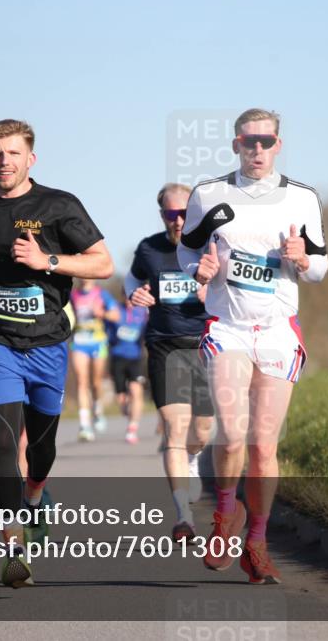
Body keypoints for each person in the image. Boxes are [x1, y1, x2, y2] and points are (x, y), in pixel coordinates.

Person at [0, 119, 113, 587]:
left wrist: (49, 261)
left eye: (14, 154)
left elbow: (103, 263)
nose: (5, 162)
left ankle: (36, 496)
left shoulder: (59, 205)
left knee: (40, 452)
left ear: (30, 158)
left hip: (47, 344)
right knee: (3, 444)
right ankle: (14, 546)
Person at [177, 108, 328, 584]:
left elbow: (321, 267)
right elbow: (187, 249)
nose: (257, 150)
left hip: (279, 330)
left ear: (278, 144)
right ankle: (225, 516)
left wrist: (301, 260)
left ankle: (256, 541)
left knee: (264, 447)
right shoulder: (208, 194)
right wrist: (196, 270)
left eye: (266, 141)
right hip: (228, 328)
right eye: (248, 142)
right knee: (233, 430)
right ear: (236, 143)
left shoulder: (303, 199)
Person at [126, 183, 215, 541]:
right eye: (170, 213)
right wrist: (134, 292)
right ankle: (183, 517)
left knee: (202, 432)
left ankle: (193, 459)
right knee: (175, 430)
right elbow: (132, 278)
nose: (177, 220)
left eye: (184, 213)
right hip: (164, 344)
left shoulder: (213, 245)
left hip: (207, 345)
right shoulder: (149, 249)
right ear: (161, 214)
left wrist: (216, 289)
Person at [69, 280, 120, 441]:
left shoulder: (101, 294)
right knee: (81, 382)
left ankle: (97, 409)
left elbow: (116, 315)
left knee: (96, 382)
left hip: (98, 341)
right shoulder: (73, 295)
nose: (85, 278)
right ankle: (84, 425)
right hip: (79, 342)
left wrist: (102, 313)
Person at [106, 289, 149, 444]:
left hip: (135, 358)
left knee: (136, 390)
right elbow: (105, 326)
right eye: (127, 297)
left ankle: (132, 428)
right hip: (117, 358)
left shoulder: (143, 313)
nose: (129, 301)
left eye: (132, 298)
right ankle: (126, 411)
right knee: (122, 399)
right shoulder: (116, 310)